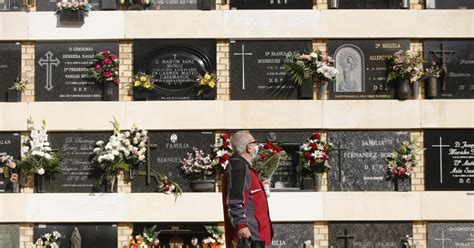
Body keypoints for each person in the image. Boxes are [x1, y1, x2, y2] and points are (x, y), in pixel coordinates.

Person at [222, 131, 273, 248]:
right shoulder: (239, 167)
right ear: (249, 147)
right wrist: (241, 226)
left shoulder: (243, 167)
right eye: (255, 143)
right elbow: (234, 200)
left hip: (257, 235)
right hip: (250, 236)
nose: (257, 146)